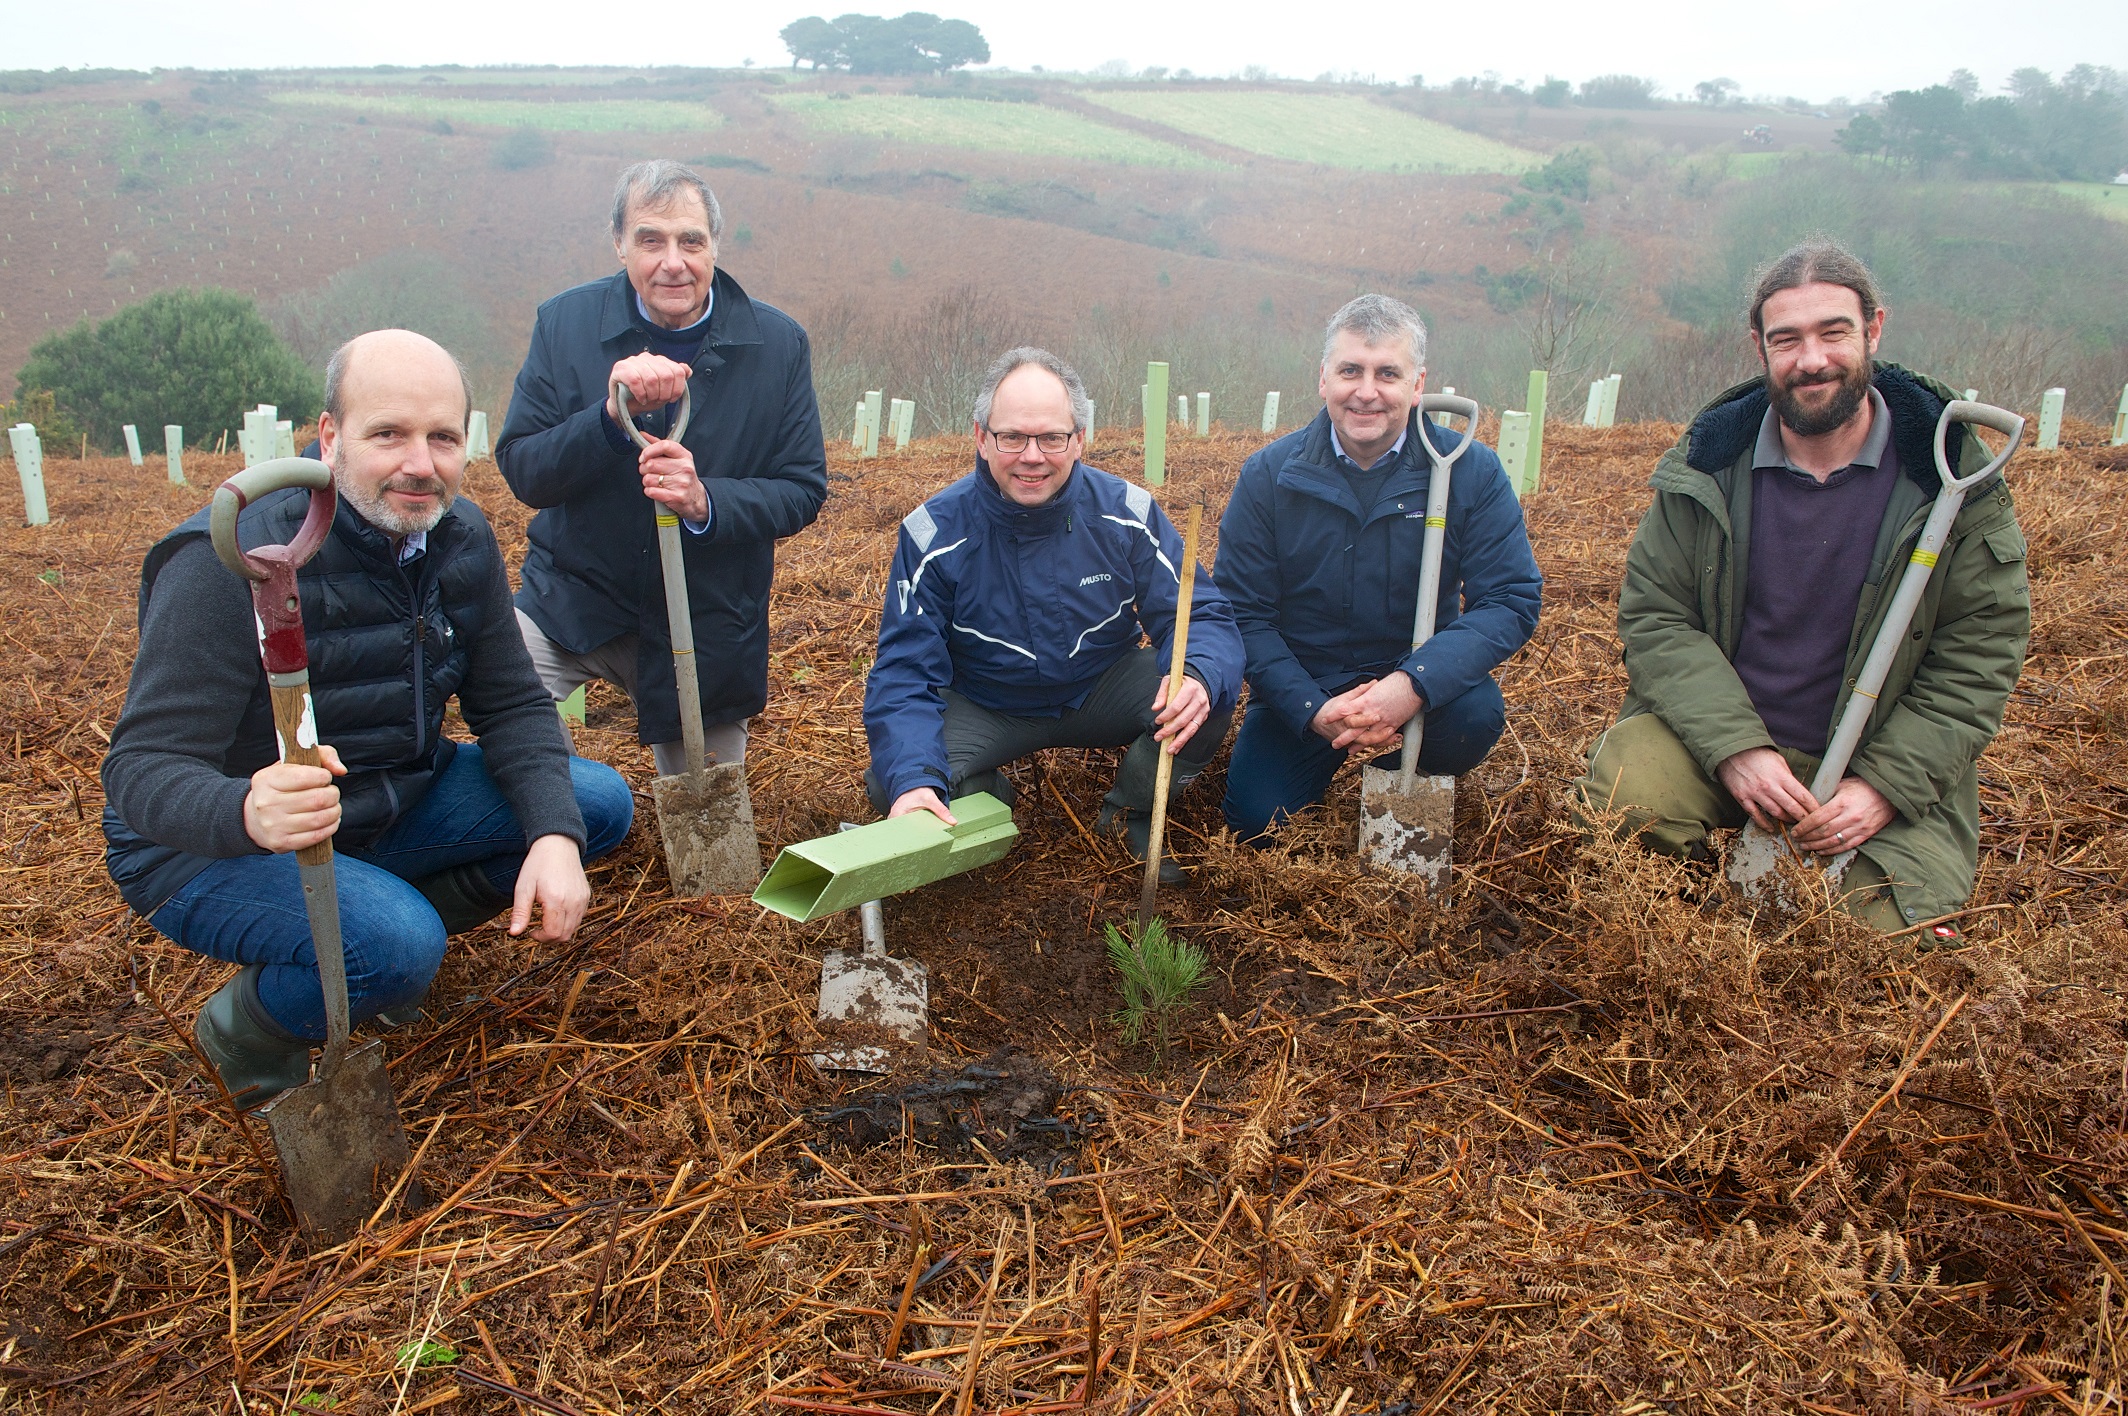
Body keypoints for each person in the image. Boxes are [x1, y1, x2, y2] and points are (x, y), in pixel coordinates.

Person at [102, 330, 634, 1109]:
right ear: (329, 438)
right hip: (202, 845)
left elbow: (513, 702)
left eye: (443, 437)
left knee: (593, 808)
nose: (420, 463)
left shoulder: (460, 540)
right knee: (398, 944)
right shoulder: (234, 560)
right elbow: (139, 769)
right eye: (388, 433)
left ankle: (376, 933)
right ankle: (248, 1027)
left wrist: (552, 836)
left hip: (386, 798)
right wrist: (246, 807)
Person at [1574, 238, 2030, 931]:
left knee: (1863, 938)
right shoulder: (1708, 468)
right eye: (1786, 339)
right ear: (1759, 346)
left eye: (1833, 332)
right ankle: (1693, 902)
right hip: (1718, 744)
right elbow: (1657, 619)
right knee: (1620, 813)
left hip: (1870, 763)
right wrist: (1736, 750)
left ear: (1874, 330)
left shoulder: (1951, 481)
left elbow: (1978, 656)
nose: (1811, 359)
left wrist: (1884, 787)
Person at [497, 159, 827, 777]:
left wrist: (707, 501)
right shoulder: (564, 324)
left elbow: (803, 488)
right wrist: (605, 422)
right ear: (620, 243)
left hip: (707, 617)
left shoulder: (778, 345)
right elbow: (523, 469)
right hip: (573, 598)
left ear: (714, 247)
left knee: (709, 809)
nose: (673, 261)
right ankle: (561, 816)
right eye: (651, 240)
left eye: (691, 241)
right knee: (509, 706)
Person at [863, 347, 1244, 881]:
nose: (1032, 456)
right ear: (981, 437)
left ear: (1079, 439)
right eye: (1013, 437)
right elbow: (903, 670)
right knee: (894, 781)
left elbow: (1198, 613)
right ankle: (988, 803)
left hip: (1100, 685)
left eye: (1051, 438)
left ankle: (1129, 812)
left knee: (1208, 697)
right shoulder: (933, 535)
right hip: (987, 701)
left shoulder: (1127, 514)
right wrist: (912, 779)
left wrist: (1200, 677)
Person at [1214, 294, 1542, 842]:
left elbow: (1509, 598)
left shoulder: (1469, 471)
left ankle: (1387, 782)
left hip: (1417, 669)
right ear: (1323, 379)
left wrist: (1413, 684)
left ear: (1418, 386)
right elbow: (1243, 613)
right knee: (1257, 824)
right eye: (1350, 371)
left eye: (1388, 373)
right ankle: (1310, 756)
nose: (1366, 392)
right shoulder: (1269, 477)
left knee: (1474, 717)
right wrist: (1310, 707)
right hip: (1308, 678)